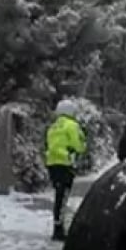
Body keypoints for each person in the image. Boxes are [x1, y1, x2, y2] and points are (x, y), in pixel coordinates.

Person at [45, 99, 87, 240]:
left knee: (58, 195)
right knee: (63, 197)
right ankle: (59, 230)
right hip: (65, 163)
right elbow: (79, 145)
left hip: (52, 164)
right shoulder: (72, 125)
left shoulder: (53, 126)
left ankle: (57, 225)